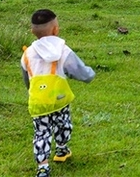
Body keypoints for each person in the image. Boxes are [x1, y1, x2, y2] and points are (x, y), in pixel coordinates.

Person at [22, 9, 95, 177]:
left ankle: (42, 166)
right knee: (63, 123)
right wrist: (90, 75)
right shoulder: (63, 50)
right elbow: (79, 70)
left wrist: (32, 92)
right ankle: (62, 150)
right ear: (55, 29)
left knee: (41, 132)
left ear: (33, 32)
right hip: (60, 99)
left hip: (39, 101)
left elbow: (26, 78)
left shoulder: (27, 53)